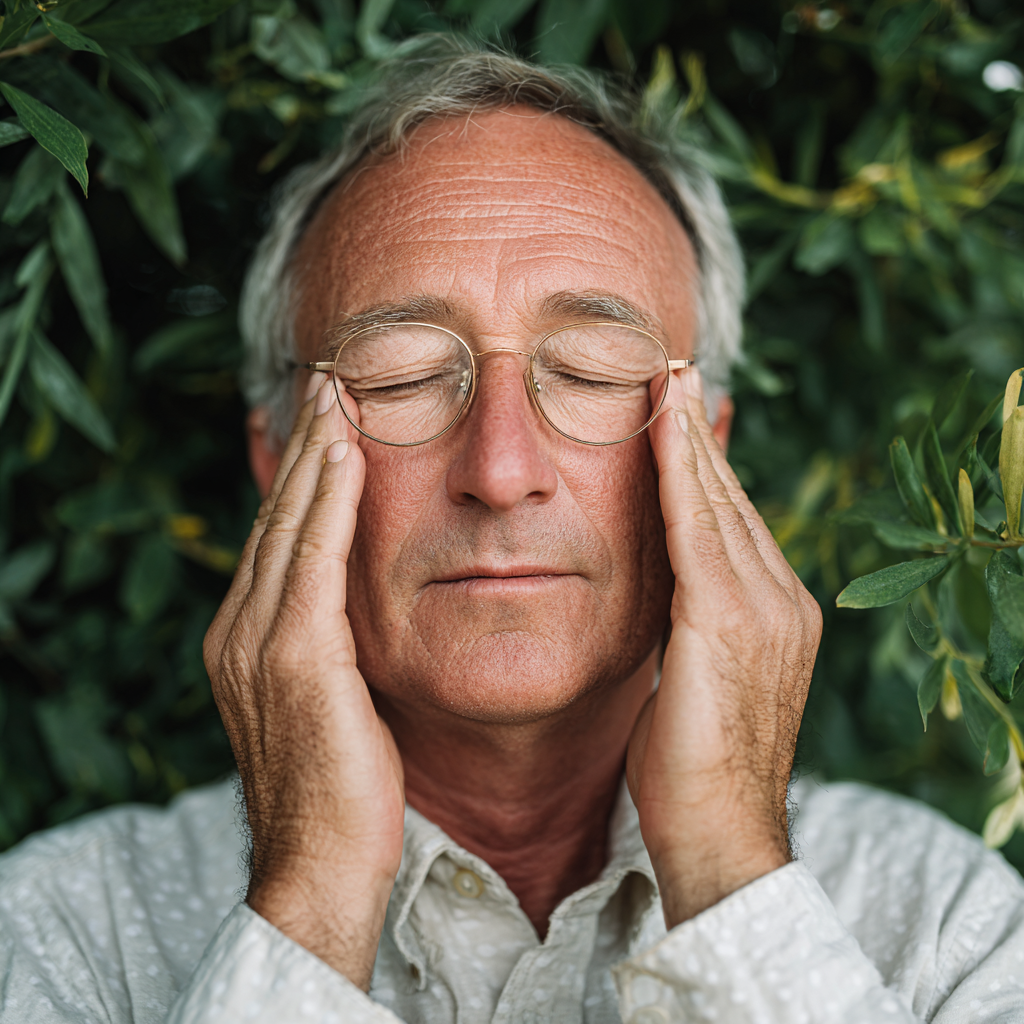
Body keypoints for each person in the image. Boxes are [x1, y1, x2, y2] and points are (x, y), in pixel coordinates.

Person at [2, 38, 1023, 1024]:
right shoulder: (58, 933)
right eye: (400, 376)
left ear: (707, 456)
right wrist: (307, 893)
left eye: (588, 373)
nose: (499, 469)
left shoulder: (938, 921)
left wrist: (728, 868)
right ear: (277, 462)